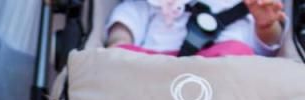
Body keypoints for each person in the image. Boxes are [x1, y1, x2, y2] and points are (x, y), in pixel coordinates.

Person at [105, 0, 287, 56]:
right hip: (157, 66)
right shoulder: (153, 3)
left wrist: (266, 25)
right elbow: (128, 15)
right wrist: (120, 41)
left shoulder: (251, 4)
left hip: (223, 71)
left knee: (240, 52)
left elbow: (269, 47)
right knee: (123, 56)